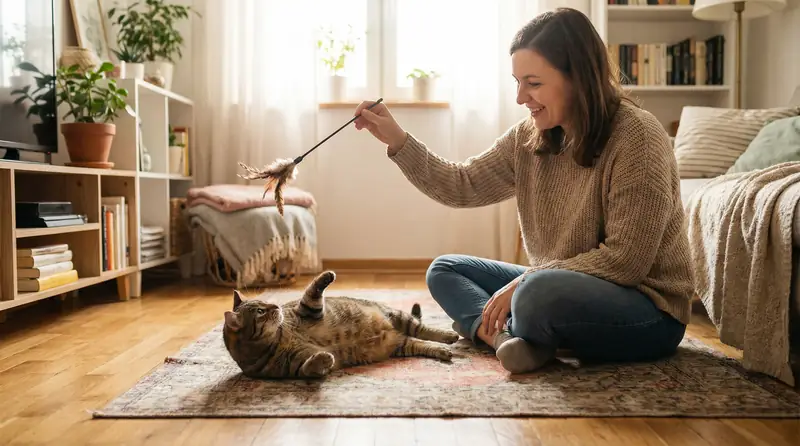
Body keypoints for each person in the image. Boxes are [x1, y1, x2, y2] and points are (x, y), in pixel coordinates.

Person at [353, 7, 694, 374]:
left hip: (647, 312)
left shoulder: (638, 137)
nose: (520, 97)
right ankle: (507, 340)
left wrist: (528, 280)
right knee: (445, 270)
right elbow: (461, 185)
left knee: (534, 294)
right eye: (517, 82)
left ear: (578, 77)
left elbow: (625, 261)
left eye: (533, 83)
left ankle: (510, 330)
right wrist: (397, 140)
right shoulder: (528, 138)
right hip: (557, 286)